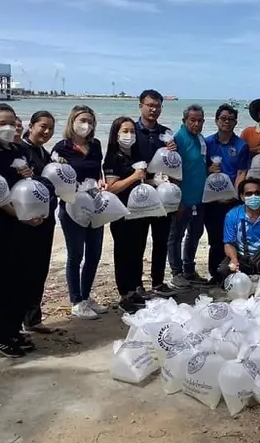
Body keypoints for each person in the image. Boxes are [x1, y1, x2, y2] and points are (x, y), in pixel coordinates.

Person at [0, 103, 46, 358]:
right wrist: (20, 214)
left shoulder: (18, 149)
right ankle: (1, 336)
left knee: (22, 278)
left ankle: (14, 328)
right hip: (1, 224)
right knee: (1, 281)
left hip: (24, 223)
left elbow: (28, 185)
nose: (8, 128)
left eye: (12, 122)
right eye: (1, 124)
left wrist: (28, 176)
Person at [53, 105, 107, 320]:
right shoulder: (61, 148)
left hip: (94, 205)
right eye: (82, 120)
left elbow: (98, 171)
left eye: (90, 121)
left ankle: (86, 296)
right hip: (71, 207)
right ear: (72, 122)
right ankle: (76, 301)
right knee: (76, 255)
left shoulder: (95, 145)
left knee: (94, 254)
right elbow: (54, 177)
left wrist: (101, 183)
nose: (87, 125)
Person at [134, 89, 178, 297]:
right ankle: (136, 284)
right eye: (149, 105)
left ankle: (158, 283)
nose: (153, 109)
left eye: (157, 106)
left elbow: (171, 165)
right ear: (141, 105)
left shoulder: (165, 133)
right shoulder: (131, 131)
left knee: (161, 239)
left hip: (162, 195)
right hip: (139, 194)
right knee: (138, 241)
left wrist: (173, 150)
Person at [104, 116, 149, 313]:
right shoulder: (112, 157)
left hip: (139, 211)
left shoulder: (137, 155)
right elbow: (112, 188)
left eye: (132, 131)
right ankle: (125, 294)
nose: (129, 135)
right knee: (123, 253)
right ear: (116, 134)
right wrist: (134, 176)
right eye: (124, 131)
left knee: (137, 250)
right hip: (120, 212)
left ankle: (135, 288)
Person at [20, 111, 58, 334]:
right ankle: (19, 320)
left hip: (46, 219)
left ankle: (33, 319)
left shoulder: (44, 153)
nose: (46, 132)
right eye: (43, 126)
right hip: (27, 221)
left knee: (40, 269)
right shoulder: (21, 151)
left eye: (50, 128)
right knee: (25, 270)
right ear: (31, 126)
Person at [204, 104, 249, 284]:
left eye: (230, 119)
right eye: (223, 119)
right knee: (214, 239)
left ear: (235, 122)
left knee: (231, 237)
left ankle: (232, 271)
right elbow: (200, 169)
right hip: (211, 198)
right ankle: (215, 274)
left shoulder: (241, 146)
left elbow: (241, 173)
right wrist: (209, 169)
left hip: (232, 200)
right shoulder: (207, 143)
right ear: (216, 120)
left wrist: (235, 195)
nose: (227, 122)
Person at [168, 104, 209, 288]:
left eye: (200, 120)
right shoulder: (178, 139)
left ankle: (189, 270)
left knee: (195, 235)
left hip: (200, 199)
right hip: (182, 200)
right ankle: (176, 273)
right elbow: (172, 170)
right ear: (184, 121)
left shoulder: (200, 139)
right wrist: (177, 201)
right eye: (192, 120)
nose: (196, 124)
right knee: (176, 236)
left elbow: (200, 165)